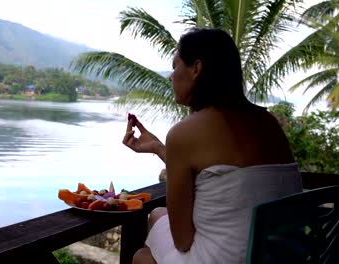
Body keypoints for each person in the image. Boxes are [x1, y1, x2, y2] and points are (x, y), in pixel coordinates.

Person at [122, 28, 302, 264]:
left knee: (141, 257)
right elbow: (226, 178)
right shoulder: (269, 123)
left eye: (175, 66)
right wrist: (158, 147)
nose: (170, 76)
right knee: (156, 214)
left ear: (196, 69)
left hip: (227, 259)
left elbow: (183, 241)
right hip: (277, 255)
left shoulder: (184, 133)